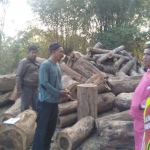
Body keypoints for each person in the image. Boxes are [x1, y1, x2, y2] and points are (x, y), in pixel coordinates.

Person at [32, 42, 70, 150]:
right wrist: (59, 93)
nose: (63, 54)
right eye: (61, 51)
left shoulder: (57, 65)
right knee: (41, 130)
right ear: (53, 52)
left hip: (54, 102)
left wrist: (63, 90)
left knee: (50, 129)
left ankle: (46, 147)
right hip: (45, 103)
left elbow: (57, 83)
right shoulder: (45, 65)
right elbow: (44, 84)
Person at [130, 47, 150, 150]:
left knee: (144, 145)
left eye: (148, 55)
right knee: (138, 144)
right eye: (144, 54)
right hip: (138, 116)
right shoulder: (147, 73)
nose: (145, 57)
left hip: (145, 119)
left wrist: (142, 105)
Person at [16, 46, 39, 112]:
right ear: (28, 53)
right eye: (32, 52)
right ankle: (23, 121)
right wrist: (19, 88)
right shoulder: (23, 62)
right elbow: (19, 75)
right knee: (24, 107)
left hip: (35, 88)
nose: (34, 54)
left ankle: (35, 121)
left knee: (37, 106)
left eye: (35, 53)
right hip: (26, 88)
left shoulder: (36, 62)